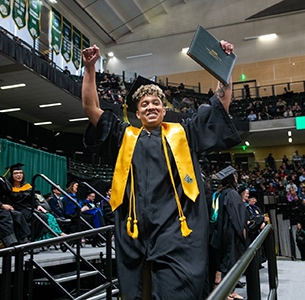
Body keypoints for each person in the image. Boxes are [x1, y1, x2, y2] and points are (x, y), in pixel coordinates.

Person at [82, 41, 241, 300]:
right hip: (133, 233)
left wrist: (223, 66)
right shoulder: (125, 137)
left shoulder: (184, 134)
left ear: (164, 110)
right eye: (144, 104)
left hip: (177, 233)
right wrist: (90, 68)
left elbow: (219, 105)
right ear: (137, 112)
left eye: (155, 102)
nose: (150, 107)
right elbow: (91, 110)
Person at [210, 166, 246, 300]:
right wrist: (242, 234)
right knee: (230, 263)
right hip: (230, 233)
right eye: (235, 177)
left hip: (220, 232)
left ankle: (228, 291)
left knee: (223, 262)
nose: (237, 180)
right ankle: (230, 292)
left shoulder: (219, 193)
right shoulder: (231, 194)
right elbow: (236, 217)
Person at [6, 163, 66, 241]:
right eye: (16, 173)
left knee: (46, 216)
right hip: (17, 209)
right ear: (11, 175)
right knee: (39, 217)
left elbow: (34, 198)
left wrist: (38, 205)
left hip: (29, 208)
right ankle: (59, 237)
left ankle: (37, 238)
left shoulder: (27, 186)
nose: (19, 175)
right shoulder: (8, 187)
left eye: (20, 173)